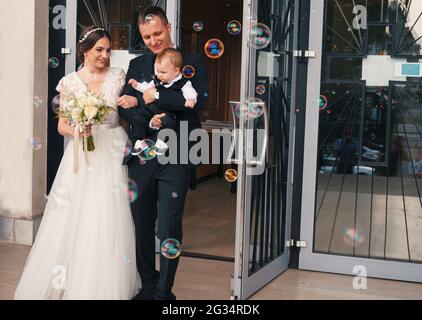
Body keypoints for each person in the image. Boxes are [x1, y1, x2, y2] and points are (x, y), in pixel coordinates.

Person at [14, 26, 140, 300]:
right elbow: (61, 126)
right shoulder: (69, 82)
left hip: (112, 148)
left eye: (108, 50)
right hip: (81, 154)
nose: (105, 55)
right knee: (74, 214)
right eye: (99, 50)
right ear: (84, 51)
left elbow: (125, 114)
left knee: (108, 214)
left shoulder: (118, 77)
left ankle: (103, 284)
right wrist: (78, 129)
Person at [117, 6, 208, 300]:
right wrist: (144, 117)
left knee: (169, 224)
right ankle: (148, 284)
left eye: (157, 33)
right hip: (142, 155)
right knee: (142, 223)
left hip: (177, 154)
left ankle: (164, 292)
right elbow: (124, 106)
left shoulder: (192, 61)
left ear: (169, 26)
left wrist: (153, 98)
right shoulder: (138, 64)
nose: (153, 40)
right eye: (146, 36)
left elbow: (197, 103)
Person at [128, 48, 198, 155]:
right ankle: (140, 141)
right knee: (139, 117)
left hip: (166, 111)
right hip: (151, 108)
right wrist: (137, 85)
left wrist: (191, 99)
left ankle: (162, 142)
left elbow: (190, 92)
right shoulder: (157, 79)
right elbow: (147, 89)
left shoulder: (183, 83)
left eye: (163, 72)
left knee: (168, 122)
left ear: (175, 71)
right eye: (158, 71)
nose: (159, 75)